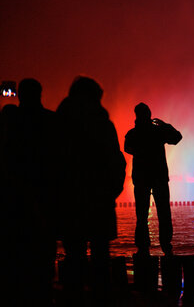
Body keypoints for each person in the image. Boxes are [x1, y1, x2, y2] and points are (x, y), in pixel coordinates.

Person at [56, 76, 126, 303]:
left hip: (70, 201)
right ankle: (100, 297)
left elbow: (51, 162)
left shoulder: (60, 125)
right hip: (99, 202)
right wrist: (111, 191)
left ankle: (72, 297)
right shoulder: (103, 125)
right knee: (100, 257)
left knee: (73, 255)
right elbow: (117, 162)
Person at [2, 78, 58, 306]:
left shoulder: (11, 120)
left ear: (19, 95)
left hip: (14, 200)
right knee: (44, 258)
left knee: (15, 256)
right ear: (40, 93)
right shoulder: (52, 120)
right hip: (47, 199)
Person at [124, 103, 182, 256]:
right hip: (159, 177)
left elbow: (127, 148)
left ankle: (143, 247)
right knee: (164, 212)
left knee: (141, 213)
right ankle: (166, 246)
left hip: (142, 177)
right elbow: (177, 138)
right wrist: (164, 125)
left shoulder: (133, 134)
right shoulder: (158, 131)